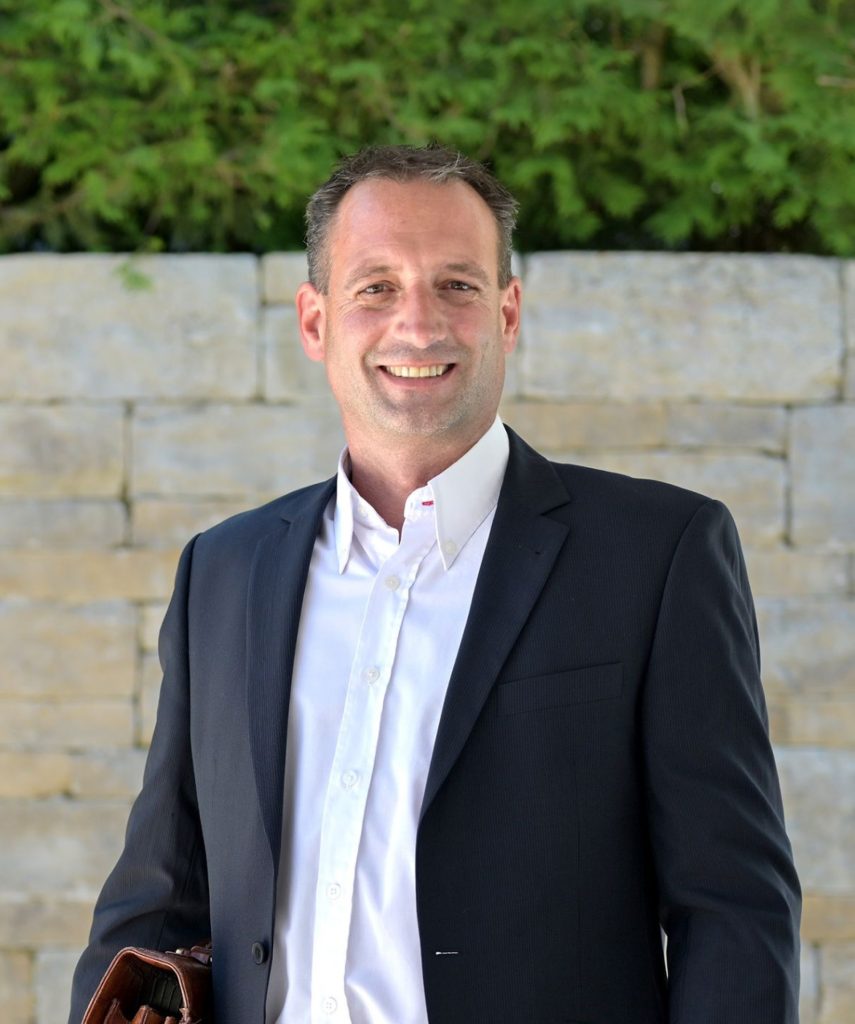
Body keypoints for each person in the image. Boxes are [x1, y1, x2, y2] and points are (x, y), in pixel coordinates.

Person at [69, 144, 800, 1024]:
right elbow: (157, 899)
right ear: (314, 321)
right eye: (375, 287)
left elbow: (732, 909)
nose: (417, 326)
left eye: (455, 285)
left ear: (507, 312)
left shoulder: (657, 554)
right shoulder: (223, 572)